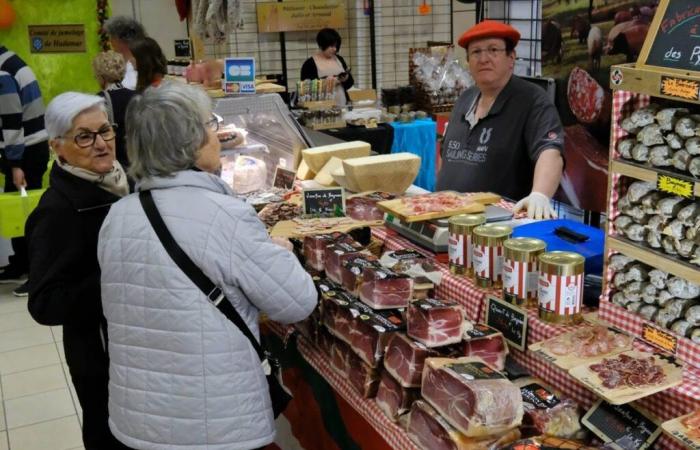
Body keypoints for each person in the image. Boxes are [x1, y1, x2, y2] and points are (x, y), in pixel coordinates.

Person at [97, 82, 317, 450]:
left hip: (138, 418)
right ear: (191, 143)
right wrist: (280, 249)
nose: (216, 135)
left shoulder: (117, 217)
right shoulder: (226, 216)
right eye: (210, 125)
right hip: (214, 425)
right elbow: (296, 302)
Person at [25, 92, 131, 449]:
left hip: (134, 348)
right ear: (58, 147)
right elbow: (44, 303)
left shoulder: (125, 181)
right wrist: (117, 281)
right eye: (85, 137)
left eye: (105, 131)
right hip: (99, 357)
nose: (101, 144)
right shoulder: (57, 211)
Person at [435, 20, 564, 219]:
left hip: (498, 225)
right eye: (476, 52)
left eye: (493, 50)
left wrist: (540, 194)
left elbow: (550, 151)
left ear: (511, 58)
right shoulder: (465, 98)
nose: (483, 58)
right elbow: (445, 153)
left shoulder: (533, 100)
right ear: (468, 60)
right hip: (447, 215)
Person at [0, 45, 50, 296]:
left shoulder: (2, 71)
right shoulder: (10, 61)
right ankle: (20, 264)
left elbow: (11, 117)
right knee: (19, 213)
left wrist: (15, 163)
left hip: (25, 151)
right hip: (30, 147)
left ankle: (36, 273)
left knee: (26, 218)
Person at [92, 50, 136, 169]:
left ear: (101, 77)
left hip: (114, 164)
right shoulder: (138, 96)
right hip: (138, 161)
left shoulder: (97, 101)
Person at [300, 28, 354, 106]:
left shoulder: (339, 59)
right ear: (322, 45)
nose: (335, 49)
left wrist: (346, 79)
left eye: (336, 46)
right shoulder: (310, 64)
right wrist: (325, 82)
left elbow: (350, 84)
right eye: (331, 46)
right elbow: (305, 88)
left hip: (342, 103)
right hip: (321, 107)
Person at [103, 16, 146, 90]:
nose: (110, 41)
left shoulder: (136, 67)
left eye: (112, 37)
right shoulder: (120, 65)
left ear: (121, 39)